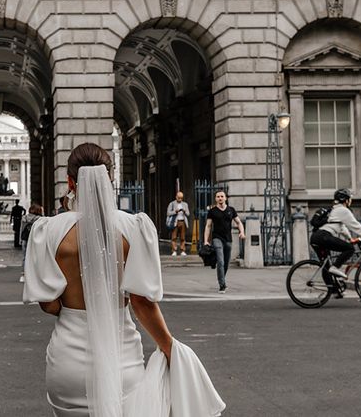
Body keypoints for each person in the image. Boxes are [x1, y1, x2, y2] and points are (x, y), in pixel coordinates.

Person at [23, 143, 225, 416]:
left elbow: (49, 305)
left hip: (68, 362)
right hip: (122, 358)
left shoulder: (47, 231)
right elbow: (142, 302)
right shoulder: (134, 228)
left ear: (71, 181)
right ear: (110, 178)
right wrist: (170, 349)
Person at [310, 188, 361, 295]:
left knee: (326, 266)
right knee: (349, 248)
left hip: (316, 238)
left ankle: (334, 290)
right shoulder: (343, 210)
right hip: (323, 237)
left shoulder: (334, 210)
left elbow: (342, 228)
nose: (350, 201)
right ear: (345, 200)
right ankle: (335, 267)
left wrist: (350, 239)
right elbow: (355, 225)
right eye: (350, 198)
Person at [203, 190, 245, 293]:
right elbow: (208, 226)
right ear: (215, 199)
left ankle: (222, 279)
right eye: (218, 197)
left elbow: (239, 222)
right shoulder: (212, 211)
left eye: (222, 196)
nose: (220, 198)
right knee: (220, 261)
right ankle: (222, 285)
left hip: (228, 239)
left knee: (226, 263)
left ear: (225, 198)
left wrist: (242, 232)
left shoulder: (231, 210)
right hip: (217, 238)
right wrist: (206, 241)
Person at [19, 202, 43, 283]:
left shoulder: (24, 218)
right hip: (35, 239)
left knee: (24, 257)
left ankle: (23, 275)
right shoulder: (39, 218)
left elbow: (21, 229)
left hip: (25, 238)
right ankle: (34, 275)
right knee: (35, 256)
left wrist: (20, 239)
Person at [166, 191, 190, 256]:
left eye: (181, 198)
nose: (180, 199)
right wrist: (175, 211)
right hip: (175, 222)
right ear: (176, 197)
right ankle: (174, 250)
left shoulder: (185, 204)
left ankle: (182, 250)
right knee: (174, 237)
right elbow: (168, 213)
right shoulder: (172, 204)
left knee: (182, 237)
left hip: (182, 221)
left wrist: (184, 211)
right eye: (179, 198)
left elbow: (188, 214)